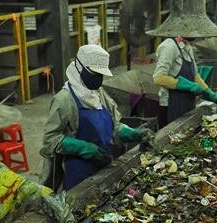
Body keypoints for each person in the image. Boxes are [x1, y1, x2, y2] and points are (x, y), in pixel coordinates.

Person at [40, 44, 149, 191]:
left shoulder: (98, 93)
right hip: (79, 172)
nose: (98, 78)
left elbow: (114, 124)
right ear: (80, 67)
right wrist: (81, 147)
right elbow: (50, 140)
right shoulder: (64, 99)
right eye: (94, 73)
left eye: (100, 74)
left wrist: (129, 132)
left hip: (105, 163)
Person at [153, 36, 217, 127]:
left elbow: (194, 75)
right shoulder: (169, 47)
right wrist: (189, 85)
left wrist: (211, 94)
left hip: (187, 102)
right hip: (171, 105)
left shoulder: (187, 45)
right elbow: (159, 78)